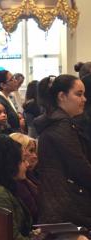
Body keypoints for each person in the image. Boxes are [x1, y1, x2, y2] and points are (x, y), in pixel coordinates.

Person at [34, 74, 91, 227]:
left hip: (62, 204)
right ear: (62, 96)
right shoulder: (61, 127)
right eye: (78, 94)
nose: (84, 99)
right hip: (66, 209)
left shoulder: (60, 123)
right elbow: (81, 168)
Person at [9, 132, 39, 223]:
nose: (35, 156)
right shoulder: (17, 182)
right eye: (31, 151)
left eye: (35, 151)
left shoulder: (30, 176)